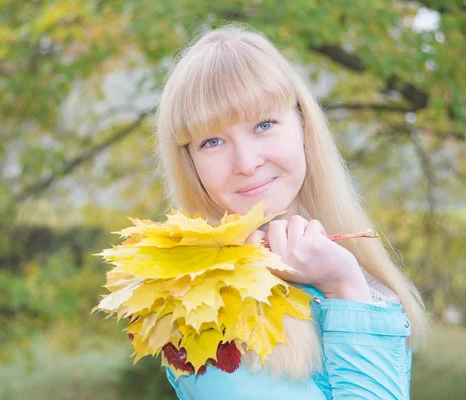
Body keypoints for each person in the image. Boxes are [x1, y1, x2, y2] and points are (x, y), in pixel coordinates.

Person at [153, 24, 429, 399]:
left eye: (264, 124)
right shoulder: (199, 305)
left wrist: (347, 284)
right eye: (212, 141)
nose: (246, 163)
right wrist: (345, 287)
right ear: (191, 162)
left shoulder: (355, 269)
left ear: (303, 124)